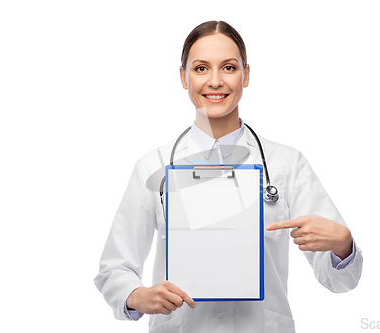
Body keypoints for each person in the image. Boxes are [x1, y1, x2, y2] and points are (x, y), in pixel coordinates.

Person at [94, 20, 363, 333]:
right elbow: (113, 269)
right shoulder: (151, 167)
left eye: (229, 68)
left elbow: (341, 281)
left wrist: (343, 245)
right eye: (201, 68)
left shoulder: (287, 165)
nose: (215, 81)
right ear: (183, 76)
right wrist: (137, 295)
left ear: (246, 75)